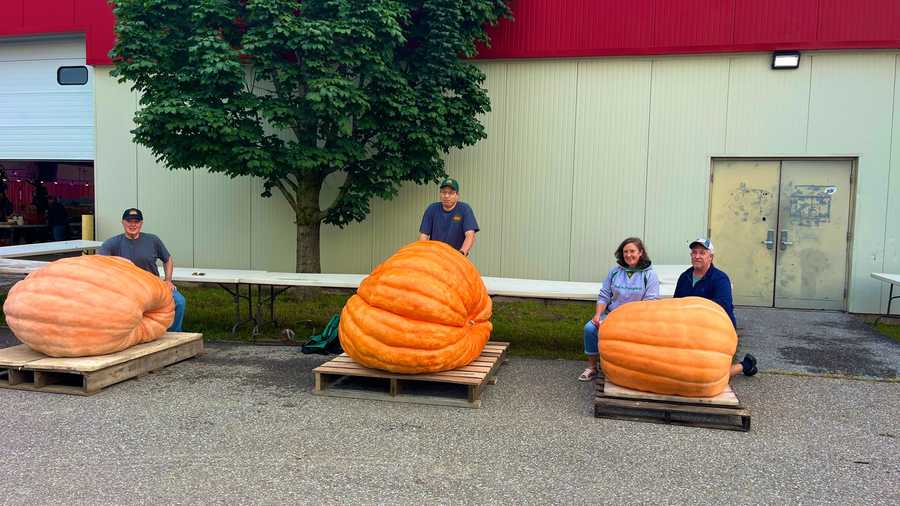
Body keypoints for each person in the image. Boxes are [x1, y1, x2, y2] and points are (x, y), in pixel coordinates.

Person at [579, 237, 660, 381]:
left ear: (641, 252)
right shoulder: (615, 272)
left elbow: (650, 303)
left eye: (632, 251)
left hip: (636, 319)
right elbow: (604, 295)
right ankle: (592, 368)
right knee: (589, 329)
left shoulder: (650, 274)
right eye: (625, 252)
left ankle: (625, 370)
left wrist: (627, 321)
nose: (629, 255)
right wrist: (598, 315)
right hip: (611, 315)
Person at [674, 238, 757, 377]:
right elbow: (676, 305)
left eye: (702, 253)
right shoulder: (684, 277)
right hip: (690, 330)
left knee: (707, 376)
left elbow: (720, 311)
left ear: (711, 257)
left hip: (718, 331)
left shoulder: (720, 279)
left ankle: (745, 365)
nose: (697, 256)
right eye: (694, 253)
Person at [98, 208, 185, 332]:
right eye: (129, 221)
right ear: (122, 222)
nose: (132, 225)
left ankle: (175, 334)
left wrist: (168, 280)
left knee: (179, 302)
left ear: (141, 223)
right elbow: (100, 263)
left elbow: (168, 259)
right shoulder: (112, 243)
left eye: (136, 222)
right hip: (127, 289)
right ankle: (130, 334)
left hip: (154, 286)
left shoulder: (153, 240)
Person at [418, 177, 479, 256]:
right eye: (444, 192)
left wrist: (462, 253)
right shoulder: (432, 209)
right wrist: (422, 254)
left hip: (456, 257)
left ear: (457, 195)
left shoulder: (464, 209)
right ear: (440, 194)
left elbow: (470, 235)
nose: (446, 196)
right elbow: (424, 236)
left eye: (450, 193)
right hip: (434, 256)